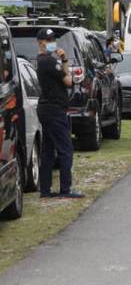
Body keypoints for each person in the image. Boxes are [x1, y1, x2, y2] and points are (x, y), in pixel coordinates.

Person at [36, 28, 83, 198]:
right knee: (65, 149)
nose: (51, 43)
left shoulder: (42, 61)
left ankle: (46, 189)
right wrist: (64, 60)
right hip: (54, 109)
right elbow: (68, 81)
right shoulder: (49, 62)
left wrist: (62, 60)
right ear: (41, 42)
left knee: (48, 150)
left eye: (53, 39)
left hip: (47, 108)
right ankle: (65, 189)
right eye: (48, 40)